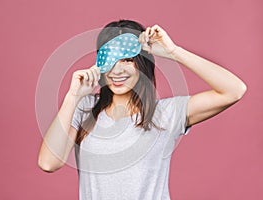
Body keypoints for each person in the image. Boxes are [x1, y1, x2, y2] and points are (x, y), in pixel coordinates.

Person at [38, 19, 247, 200]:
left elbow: (234, 90)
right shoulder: (85, 108)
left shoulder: (166, 114)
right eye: (110, 60)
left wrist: (174, 52)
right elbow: (48, 163)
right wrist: (73, 96)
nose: (117, 70)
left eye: (127, 60)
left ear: (141, 62)